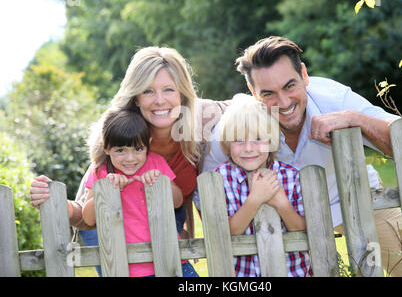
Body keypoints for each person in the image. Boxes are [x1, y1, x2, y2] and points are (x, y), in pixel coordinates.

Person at [200, 36, 402, 277]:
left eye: (290, 86)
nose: (284, 102)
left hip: (353, 198)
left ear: (303, 74)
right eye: (269, 94)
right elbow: (207, 196)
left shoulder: (334, 98)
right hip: (280, 219)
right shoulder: (240, 128)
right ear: (253, 92)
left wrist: (355, 119)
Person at [29, 46, 228, 276]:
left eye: (169, 89)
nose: (160, 100)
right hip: (113, 236)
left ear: (182, 93)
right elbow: (86, 216)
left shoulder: (201, 125)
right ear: (135, 98)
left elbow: (246, 108)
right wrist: (54, 201)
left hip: (164, 225)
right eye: (148, 91)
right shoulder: (117, 145)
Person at [79, 108, 197, 277]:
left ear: (148, 143)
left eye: (138, 149)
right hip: (127, 268)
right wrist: (106, 191)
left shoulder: (156, 163)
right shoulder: (102, 172)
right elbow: (89, 218)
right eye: (120, 150)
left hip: (171, 260)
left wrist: (162, 183)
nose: (130, 158)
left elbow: (178, 201)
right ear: (106, 148)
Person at [216, 94, 312, 277]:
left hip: (293, 272)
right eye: (238, 140)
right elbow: (227, 232)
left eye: (258, 139)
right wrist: (255, 199)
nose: (248, 148)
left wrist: (282, 203)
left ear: (271, 141)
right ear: (227, 144)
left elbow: (303, 231)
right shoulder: (222, 178)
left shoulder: (291, 177)